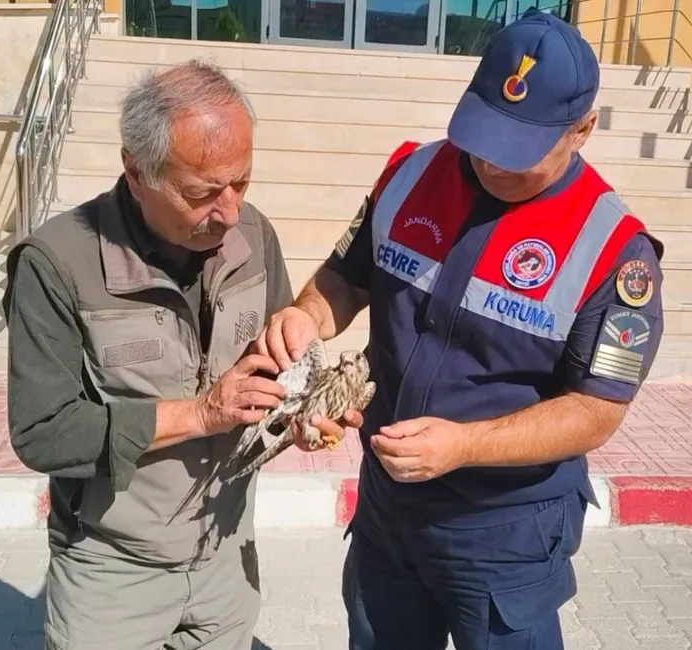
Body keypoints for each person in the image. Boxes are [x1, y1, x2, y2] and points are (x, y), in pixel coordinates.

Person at [253, 9, 666, 650]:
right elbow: (346, 278)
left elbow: (595, 412)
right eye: (483, 135)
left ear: (583, 128)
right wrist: (305, 316)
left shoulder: (614, 251)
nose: (492, 163)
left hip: (503, 530)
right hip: (389, 513)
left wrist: (464, 446)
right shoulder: (411, 173)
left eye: (519, 149)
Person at [1, 60, 358, 650]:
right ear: (135, 170)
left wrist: (301, 418)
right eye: (200, 193)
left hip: (225, 556)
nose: (230, 211)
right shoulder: (56, 262)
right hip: (112, 570)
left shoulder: (254, 237)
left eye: (241, 182)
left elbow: (274, 371)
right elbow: (42, 433)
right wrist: (199, 414)